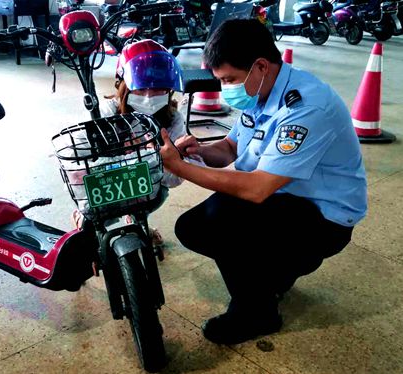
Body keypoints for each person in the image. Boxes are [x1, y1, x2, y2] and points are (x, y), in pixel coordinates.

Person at [158, 19, 367, 345]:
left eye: (229, 79)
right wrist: (196, 151)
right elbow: (230, 148)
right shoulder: (261, 90)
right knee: (208, 221)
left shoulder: (306, 106)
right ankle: (276, 275)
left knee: (213, 222)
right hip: (287, 201)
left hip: (325, 218)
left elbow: (256, 189)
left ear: (260, 65)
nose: (226, 88)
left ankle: (257, 312)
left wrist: (179, 169)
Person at [73, 39, 204, 247]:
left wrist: (170, 159)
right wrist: (149, 158)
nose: (150, 97)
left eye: (159, 89)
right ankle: (89, 226)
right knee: (94, 217)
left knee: (157, 193)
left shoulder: (172, 119)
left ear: (169, 89)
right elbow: (83, 167)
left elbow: (172, 179)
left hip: (146, 187)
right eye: (141, 89)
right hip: (107, 186)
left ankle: (137, 220)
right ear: (123, 85)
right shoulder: (107, 114)